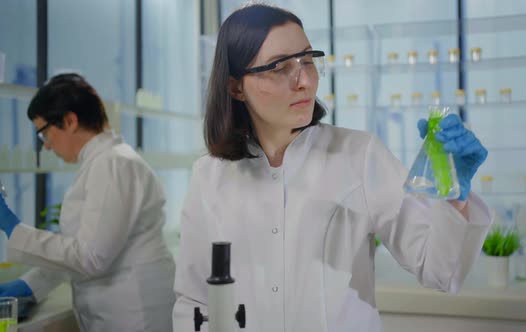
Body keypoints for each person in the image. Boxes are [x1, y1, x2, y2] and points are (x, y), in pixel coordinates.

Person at [173, 4, 491, 332]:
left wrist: (455, 197)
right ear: (235, 87)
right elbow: (194, 300)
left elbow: (440, 270)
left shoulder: (358, 155)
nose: (306, 81)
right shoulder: (209, 176)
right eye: (280, 67)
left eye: (308, 61)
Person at [0, 73, 175, 332]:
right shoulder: (104, 163)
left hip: (133, 316)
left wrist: (12, 227)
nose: (46, 146)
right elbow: (79, 250)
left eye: (43, 133)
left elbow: (91, 256)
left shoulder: (112, 163)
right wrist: (30, 286)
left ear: (70, 121)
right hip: (120, 311)